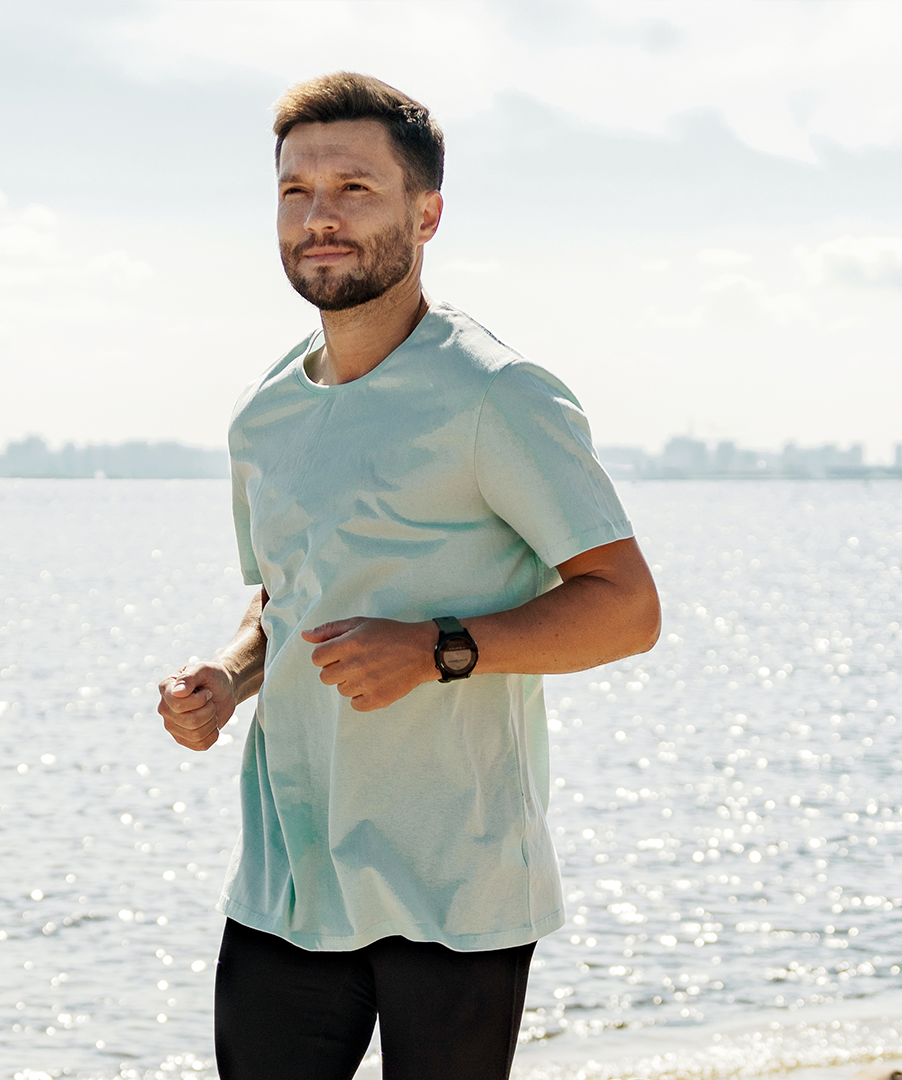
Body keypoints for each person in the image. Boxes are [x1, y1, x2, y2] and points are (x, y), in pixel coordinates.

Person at [157, 72, 661, 1080]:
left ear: (427, 214)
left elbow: (628, 608)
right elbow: (283, 599)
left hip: (455, 889)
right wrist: (228, 674)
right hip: (287, 879)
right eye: (297, 192)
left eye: (355, 188)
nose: (320, 218)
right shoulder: (265, 412)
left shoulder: (497, 395)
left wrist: (438, 651)